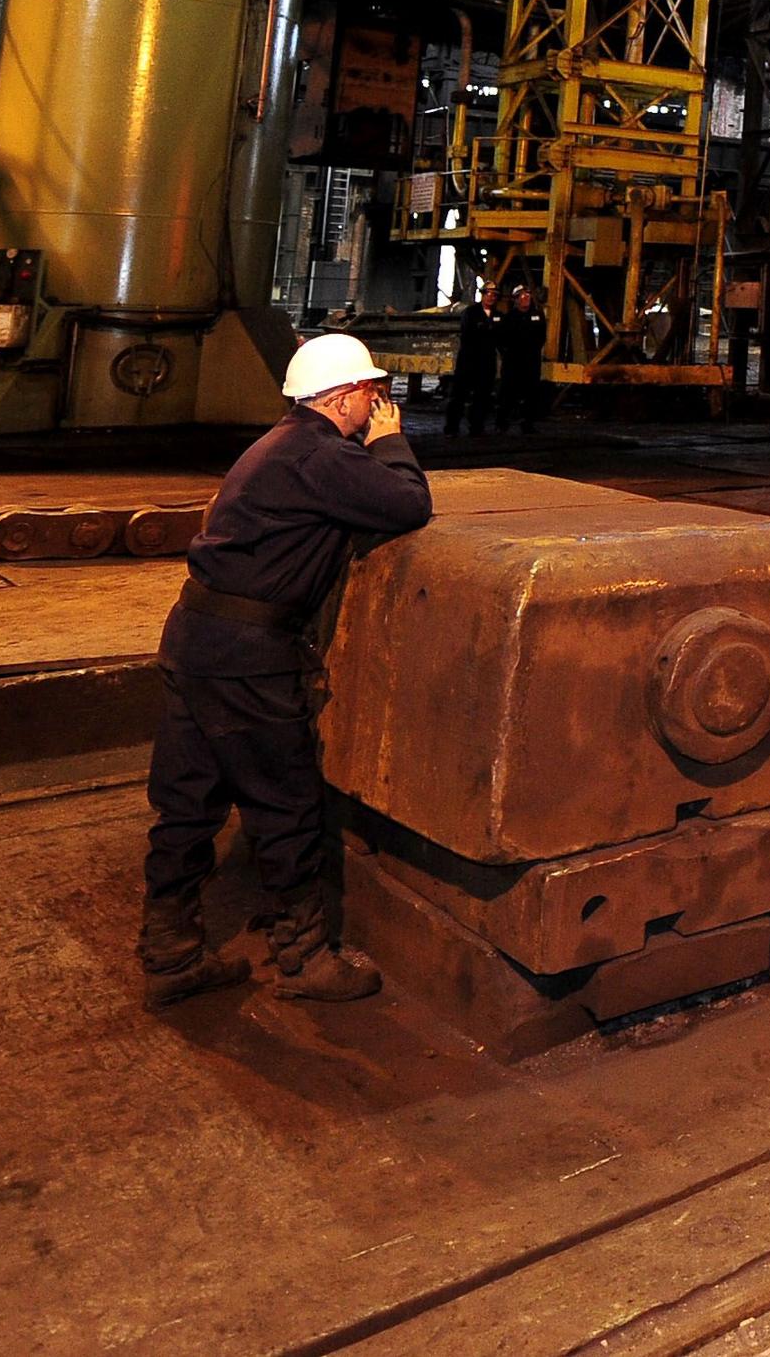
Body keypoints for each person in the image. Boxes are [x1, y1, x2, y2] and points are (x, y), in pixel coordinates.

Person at [138, 332, 432, 1007]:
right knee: (286, 802)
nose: (376, 401)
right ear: (343, 397)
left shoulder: (275, 444)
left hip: (194, 640)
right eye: (370, 393)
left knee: (187, 801)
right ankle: (304, 958)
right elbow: (409, 503)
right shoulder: (319, 453)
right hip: (247, 657)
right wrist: (389, 441)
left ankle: (170, 953)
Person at [490, 271, 550, 433]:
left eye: (527, 296)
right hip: (513, 362)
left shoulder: (537, 316)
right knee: (507, 393)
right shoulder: (509, 318)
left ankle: (527, 423)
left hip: (531, 361)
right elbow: (501, 340)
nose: (526, 299)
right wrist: (508, 354)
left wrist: (533, 351)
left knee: (530, 393)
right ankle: (501, 423)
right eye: (522, 297)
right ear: (515, 300)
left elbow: (541, 336)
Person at [441, 268, 497, 440]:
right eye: (488, 293)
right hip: (469, 361)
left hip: (487, 362)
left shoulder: (499, 316)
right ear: (482, 294)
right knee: (459, 395)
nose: (491, 296)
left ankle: (477, 427)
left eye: (494, 294)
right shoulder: (470, 313)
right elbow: (468, 334)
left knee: (482, 396)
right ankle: (452, 428)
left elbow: (501, 337)